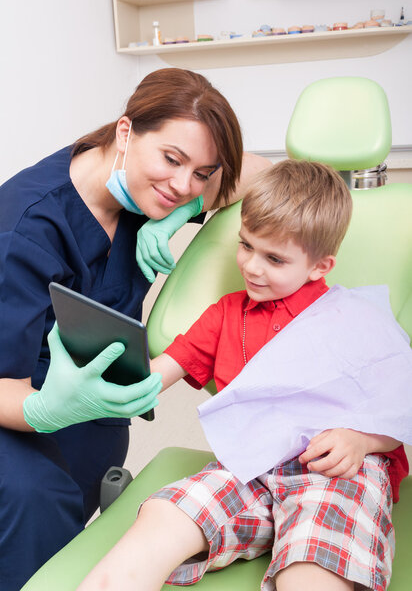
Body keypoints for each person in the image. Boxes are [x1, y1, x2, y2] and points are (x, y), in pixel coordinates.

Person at [78, 159, 408, 591]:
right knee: (163, 516)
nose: (252, 266)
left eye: (274, 258)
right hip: (248, 465)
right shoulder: (226, 315)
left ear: (319, 266)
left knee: (310, 569)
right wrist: (94, 381)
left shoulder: (357, 320)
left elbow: (401, 409)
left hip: (332, 471)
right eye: (246, 245)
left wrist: (362, 441)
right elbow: (155, 375)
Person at [0, 67, 271, 590]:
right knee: (34, 507)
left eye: (202, 173)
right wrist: (43, 409)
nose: (182, 184)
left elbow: (261, 171)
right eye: (172, 159)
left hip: (85, 418)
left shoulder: (150, 194)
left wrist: (186, 208)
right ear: (126, 131)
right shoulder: (23, 230)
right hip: (18, 408)